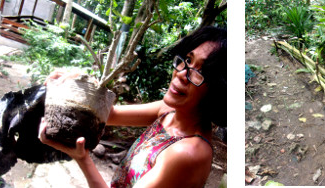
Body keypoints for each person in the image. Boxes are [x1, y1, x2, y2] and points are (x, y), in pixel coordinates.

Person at [39, 26, 226, 188]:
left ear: (218, 89)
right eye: (187, 59)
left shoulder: (187, 153)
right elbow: (107, 115)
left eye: (200, 72)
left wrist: (82, 158)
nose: (181, 74)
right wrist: (79, 85)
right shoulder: (169, 111)